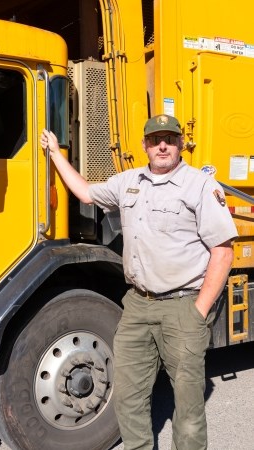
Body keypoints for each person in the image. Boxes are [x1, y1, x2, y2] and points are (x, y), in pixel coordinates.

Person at [40, 114, 238, 450]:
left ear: (180, 144)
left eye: (170, 139)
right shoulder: (128, 182)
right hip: (137, 306)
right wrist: (56, 154)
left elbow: (223, 251)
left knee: (188, 406)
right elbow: (86, 193)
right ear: (145, 145)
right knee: (128, 397)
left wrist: (198, 311)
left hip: (183, 306)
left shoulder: (201, 186)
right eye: (156, 139)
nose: (163, 145)